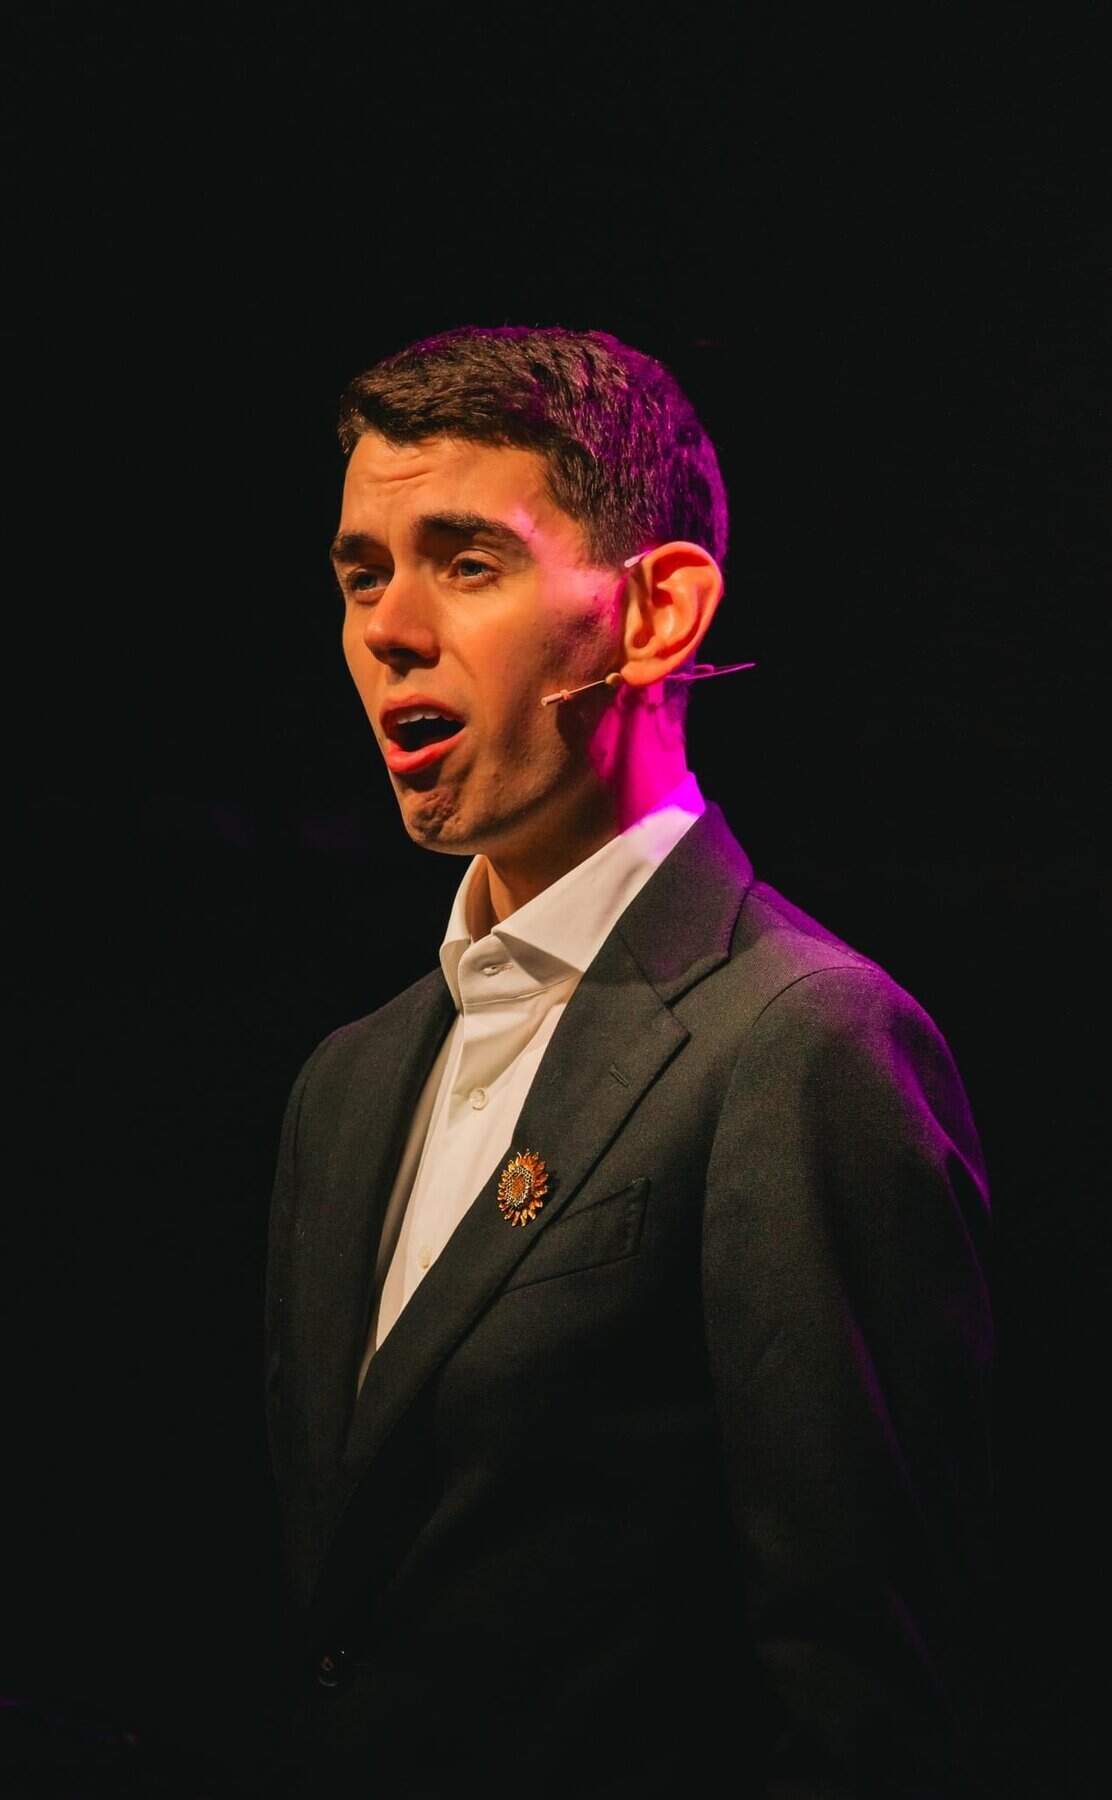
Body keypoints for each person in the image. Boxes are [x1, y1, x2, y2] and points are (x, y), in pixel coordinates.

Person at [264, 326, 993, 1797]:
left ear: (658, 612)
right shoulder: (346, 1080)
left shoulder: (801, 1043)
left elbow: (866, 1695)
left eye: (468, 562)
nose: (391, 628)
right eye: (362, 573)